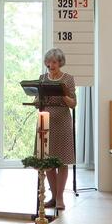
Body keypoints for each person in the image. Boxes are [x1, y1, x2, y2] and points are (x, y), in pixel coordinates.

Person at [38, 49, 76, 211]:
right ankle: (53, 197)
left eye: (54, 62)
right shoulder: (42, 78)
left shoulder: (68, 79)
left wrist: (62, 95)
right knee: (48, 162)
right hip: (45, 121)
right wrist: (36, 99)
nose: (51, 65)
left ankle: (60, 197)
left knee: (62, 161)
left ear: (60, 63)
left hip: (62, 121)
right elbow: (37, 100)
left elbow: (73, 103)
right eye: (49, 62)